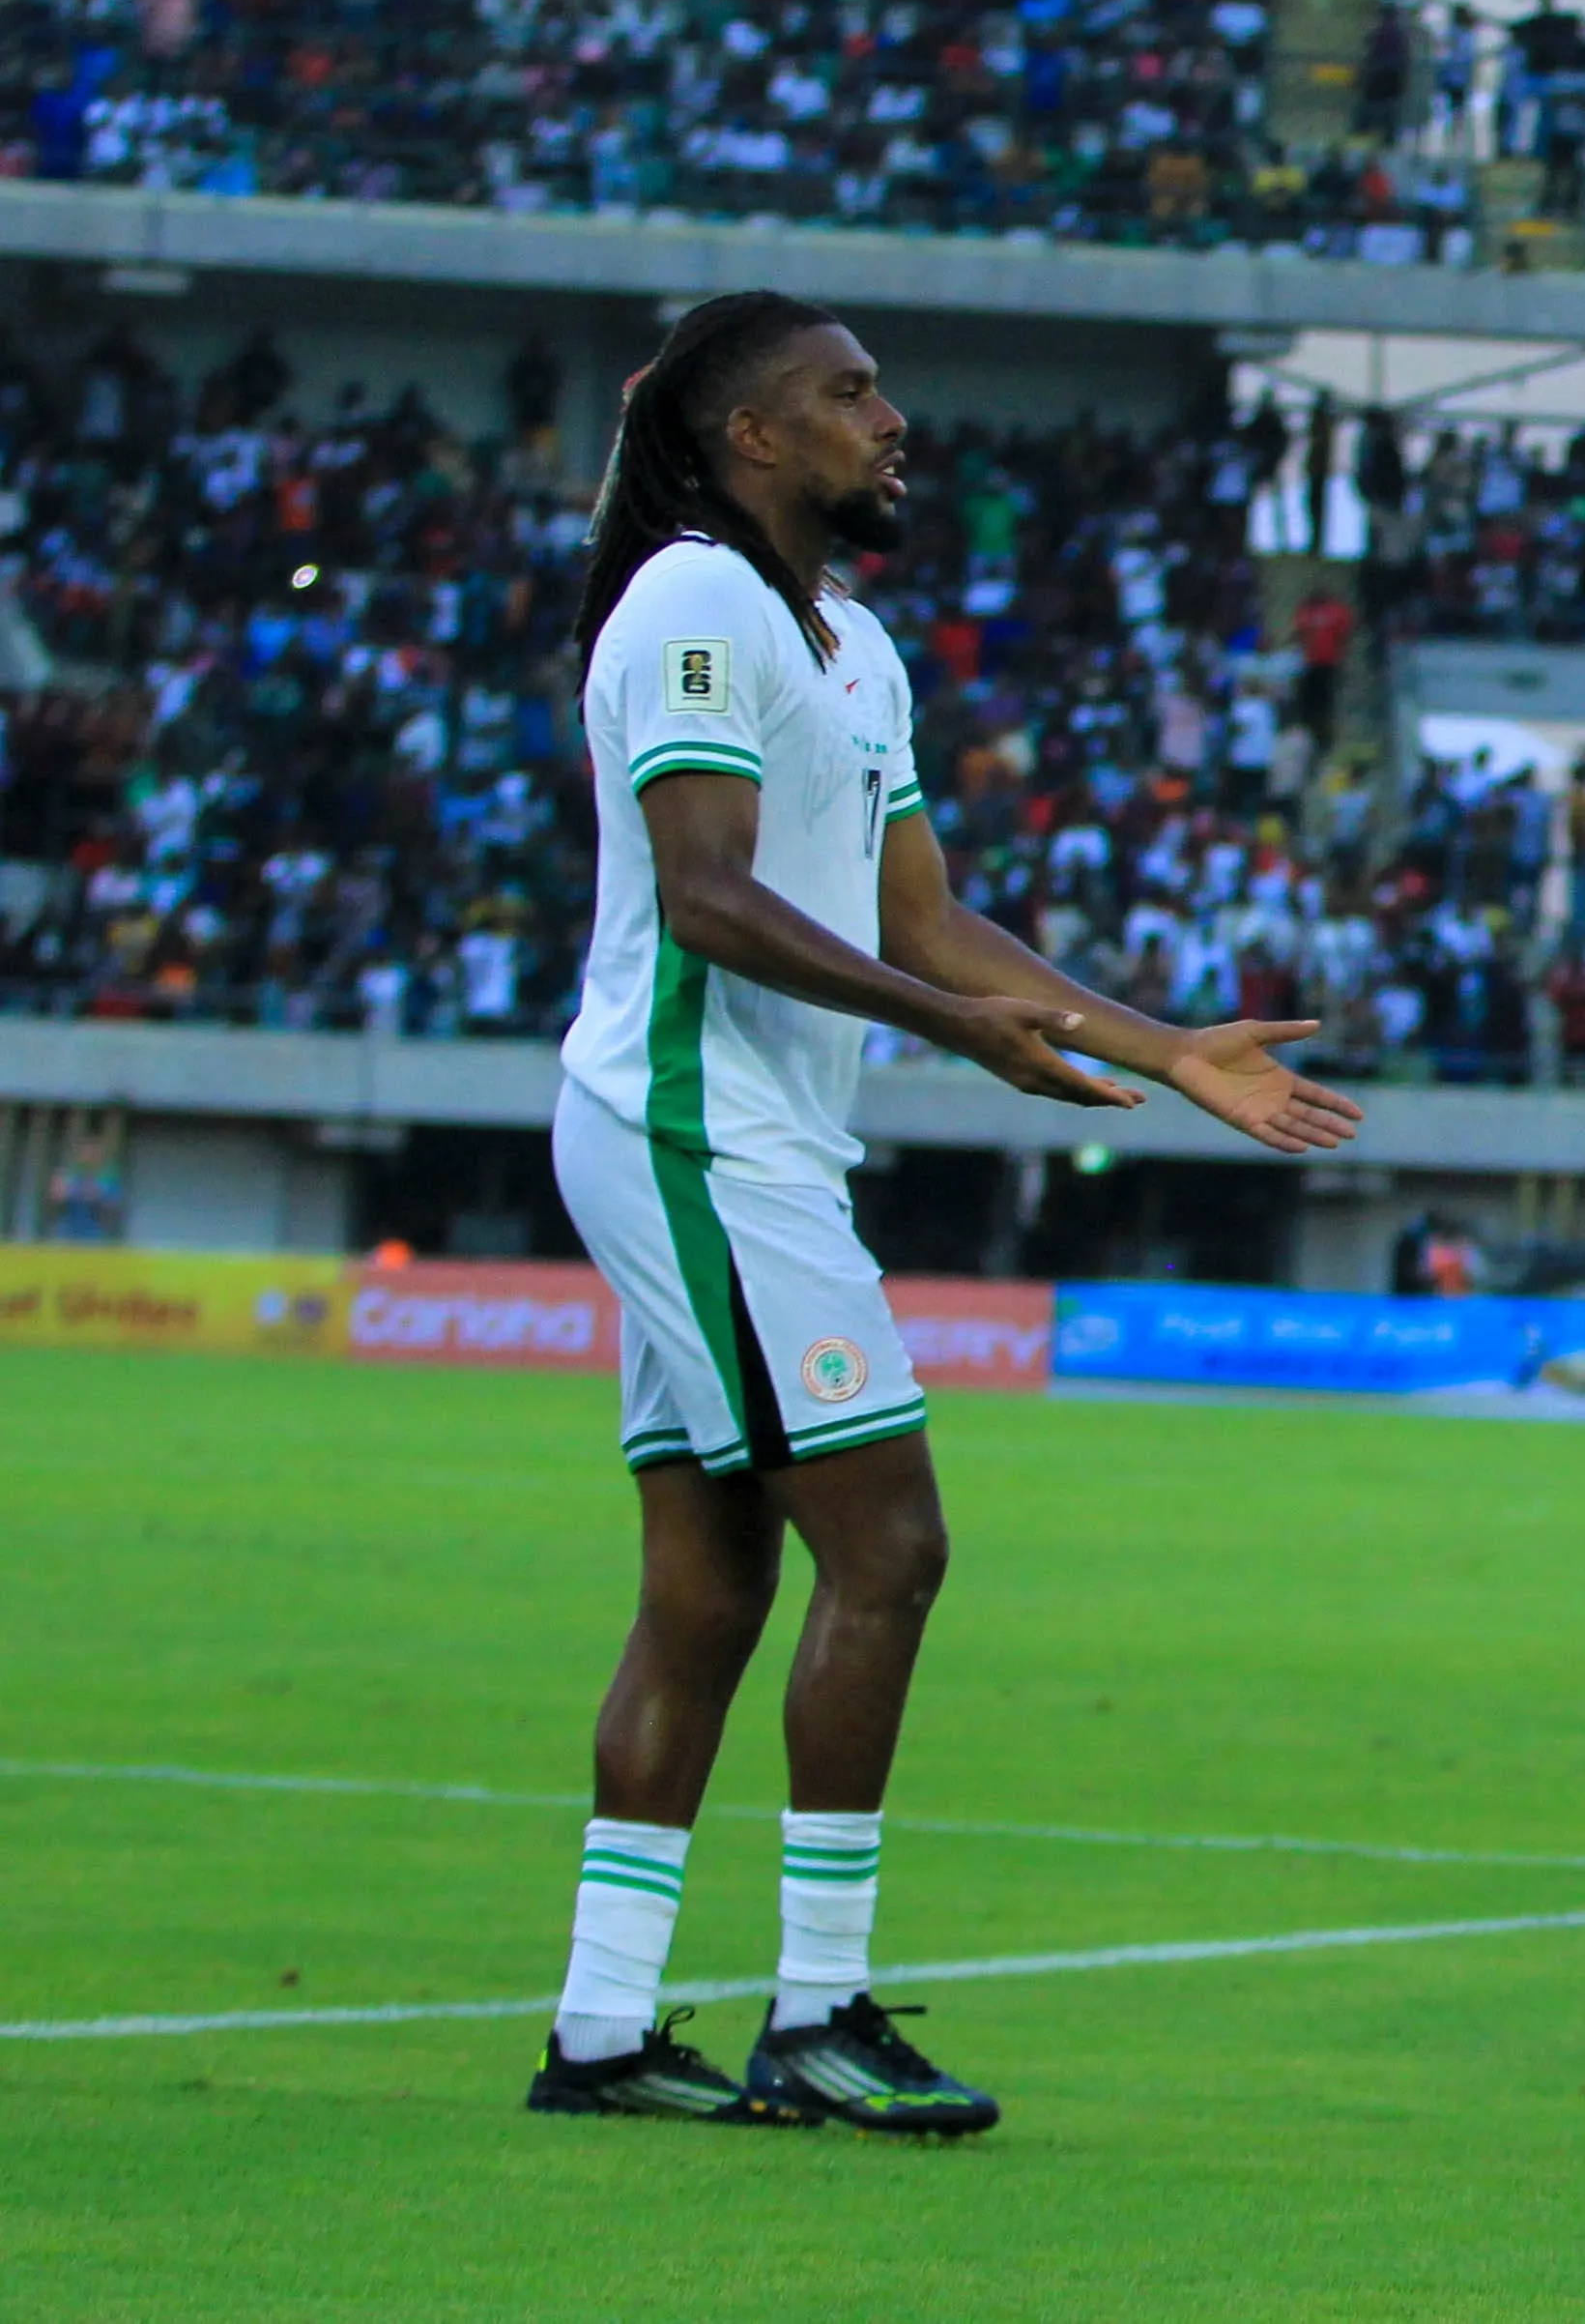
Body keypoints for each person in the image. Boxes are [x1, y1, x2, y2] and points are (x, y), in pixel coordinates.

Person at [531, 292, 1362, 2132]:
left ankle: (601, 2030)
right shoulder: (691, 598)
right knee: (889, 1546)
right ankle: (818, 2012)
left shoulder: (850, 643)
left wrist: (1162, 1052)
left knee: (711, 1582)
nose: (892, 420)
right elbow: (710, 899)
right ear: (753, 436)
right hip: (693, 1123)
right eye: (849, 393)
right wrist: (956, 1036)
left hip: (750, 1135)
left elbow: (930, 921)